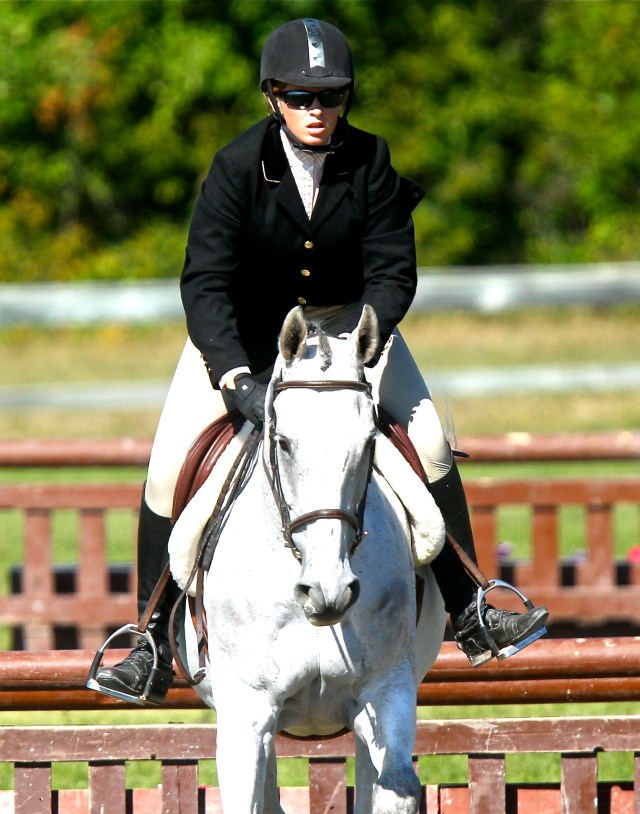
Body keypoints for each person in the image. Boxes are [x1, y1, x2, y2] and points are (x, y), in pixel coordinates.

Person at [93, 17, 548, 706]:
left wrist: (370, 329)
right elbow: (206, 283)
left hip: (349, 329)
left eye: (330, 96)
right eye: (300, 97)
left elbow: (394, 269)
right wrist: (233, 375)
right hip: (244, 336)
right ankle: (150, 641)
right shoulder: (236, 166)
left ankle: (471, 609)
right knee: (166, 466)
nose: (316, 110)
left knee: (428, 440)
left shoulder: (371, 159)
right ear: (272, 98)